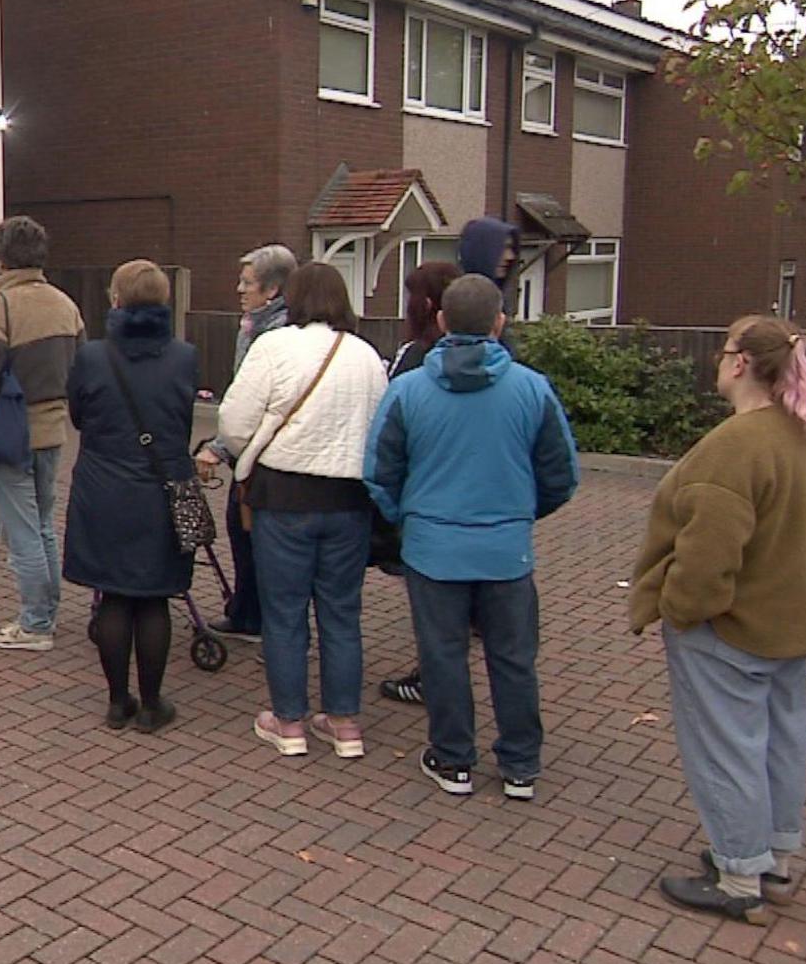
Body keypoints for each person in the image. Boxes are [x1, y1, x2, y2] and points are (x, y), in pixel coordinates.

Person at [633, 317, 806, 924]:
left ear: (742, 364)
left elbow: (707, 557)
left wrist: (679, 610)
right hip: (790, 623)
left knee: (726, 749)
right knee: (779, 742)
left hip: (729, 630)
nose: (717, 361)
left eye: (725, 351)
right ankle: (770, 858)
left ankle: (738, 876)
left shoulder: (734, 447)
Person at [363, 274, 578, 799]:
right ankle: (520, 765)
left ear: (440, 321)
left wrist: (409, 519)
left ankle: (454, 758)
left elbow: (379, 471)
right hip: (506, 550)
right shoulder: (532, 389)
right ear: (500, 322)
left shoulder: (407, 390)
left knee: (442, 655)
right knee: (512, 658)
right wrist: (518, 516)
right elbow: (561, 474)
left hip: (433, 548)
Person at [217, 263, 388, 758]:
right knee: (341, 613)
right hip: (350, 500)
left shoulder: (274, 347)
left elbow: (233, 418)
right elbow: (380, 427)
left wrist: (245, 449)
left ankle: (288, 721)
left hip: (285, 498)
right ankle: (344, 723)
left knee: (285, 611)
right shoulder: (366, 356)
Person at [64, 260, 198, 730]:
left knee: (115, 596)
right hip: (161, 487)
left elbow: (78, 414)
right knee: (155, 597)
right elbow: (180, 422)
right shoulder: (184, 356)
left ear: (115, 299)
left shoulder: (92, 357)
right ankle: (153, 702)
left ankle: (118, 702)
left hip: (103, 486)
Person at [0, 216, 84, 651]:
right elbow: (80, 367)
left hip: (9, 433)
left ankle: (34, 624)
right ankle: (46, 612)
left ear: (0, 259)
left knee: (22, 531)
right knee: (44, 524)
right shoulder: (65, 304)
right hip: (52, 430)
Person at [194, 244, 299, 644]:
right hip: (250, 452)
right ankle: (246, 612)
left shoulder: (275, 335)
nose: (239, 289)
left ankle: (258, 619)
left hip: (263, 454)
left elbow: (252, 402)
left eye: (248, 282)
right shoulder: (255, 325)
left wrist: (219, 447)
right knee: (242, 530)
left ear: (272, 290)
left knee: (252, 533)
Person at [378, 259, 463, 705]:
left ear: (427, 304)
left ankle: (433, 682)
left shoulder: (415, 361)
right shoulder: (507, 367)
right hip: (481, 505)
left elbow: (387, 436)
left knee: (433, 601)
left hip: (426, 500)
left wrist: (390, 503)